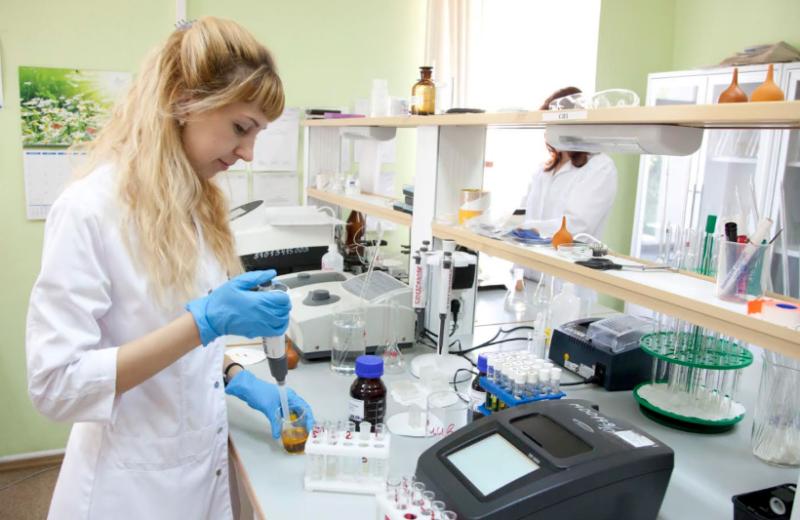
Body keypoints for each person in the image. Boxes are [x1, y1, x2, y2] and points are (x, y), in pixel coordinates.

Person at [25, 17, 313, 519]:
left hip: (198, 474)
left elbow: (173, 348)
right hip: (128, 490)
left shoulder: (194, 207)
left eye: (258, 134)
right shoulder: (90, 209)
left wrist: (237, 377)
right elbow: (55, 386)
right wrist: (203, 323)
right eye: (241, 128)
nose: (248, 153)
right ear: (184, 101)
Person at [519, 86, 618, 241]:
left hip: (569, 254)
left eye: (553, 124)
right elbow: (523, 211)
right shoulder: (544, 168)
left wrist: (527, 228)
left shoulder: (600, 166)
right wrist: (505, 224)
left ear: (574, 124)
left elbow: (578, 224)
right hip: (529, 254)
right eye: (547, 125)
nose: (547, 131)